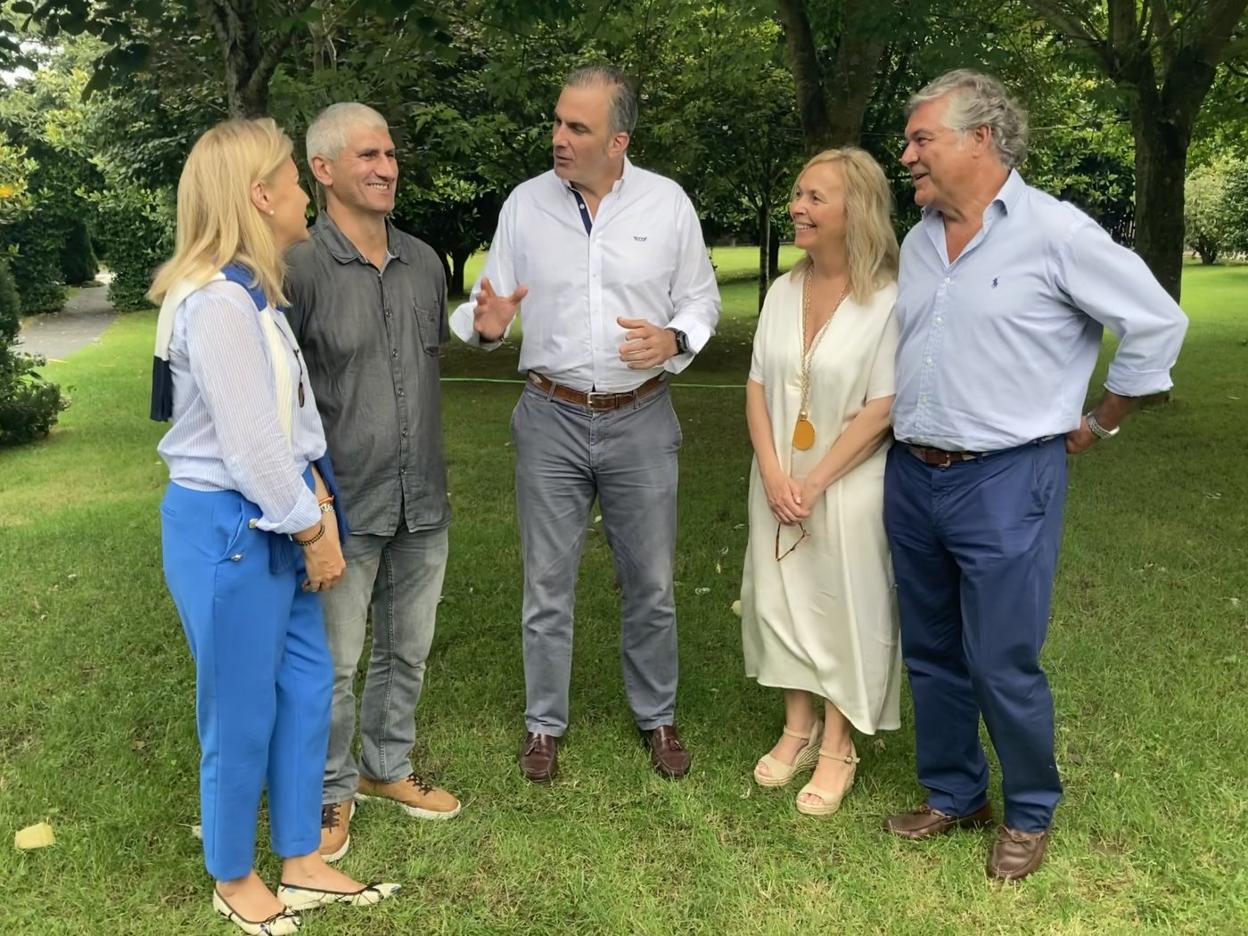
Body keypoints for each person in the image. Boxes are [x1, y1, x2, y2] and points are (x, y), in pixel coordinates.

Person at [883, 70, 1188, 880]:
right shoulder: (918, 240)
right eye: (909, 140)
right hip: (912, 474)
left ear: (981, 139)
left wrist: (1102, 421)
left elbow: (1158, 321)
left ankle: (1028, 811)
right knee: (932, 649)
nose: (906, 153)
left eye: (922, 139)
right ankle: (954, 792)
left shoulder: (1056, 232)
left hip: (1007, 479)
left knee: (1001, 657)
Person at [151, 117, 398, 935]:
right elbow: (252, 447)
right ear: (261, 196)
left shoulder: (252, 292)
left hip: (276, 514)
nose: (304, 192)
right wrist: (312, 527)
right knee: (240, 707)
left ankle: (300, 856)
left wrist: (315, 501)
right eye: (295, 178)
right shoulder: (218, 303)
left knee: (301, 693)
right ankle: (232, 872)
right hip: (231, 526)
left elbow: (288, 428)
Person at [450, 65, 721, 782]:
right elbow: (482, 308)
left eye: (579, 128)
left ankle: (658, 717)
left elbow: (701, 301)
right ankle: (544, 726)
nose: (560, 138)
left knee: (653, 582)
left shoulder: (667, 205)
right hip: (549, 417)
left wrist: (674, 339)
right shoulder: (525, 206)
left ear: (618, 140)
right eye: (558, 122)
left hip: (641, 416)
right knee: (546, 581)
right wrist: (483, 325)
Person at [285, 102, 461, 863]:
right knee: (336, 664)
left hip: (422, 497)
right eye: (367, 155)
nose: (386, 167)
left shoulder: (425, 262)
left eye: (390, 153)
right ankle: (330, 792)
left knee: (408, 649)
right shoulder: (296, 267)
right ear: (322, 170)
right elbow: (277, 396)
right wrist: (305, 503)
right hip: (341, 503)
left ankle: (387, 768)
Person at [740, 147, 902, 816]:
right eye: (797, 195)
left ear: (854, 211)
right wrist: (777, 475)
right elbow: (755, 387)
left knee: (843, 605)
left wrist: (817, 480)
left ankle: (839, 743)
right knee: (780, 599)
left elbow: (884, 406)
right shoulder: (783, 290)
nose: (797, 209)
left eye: (813, 198)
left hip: (851, 483)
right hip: (776, 479)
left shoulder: (889, 299)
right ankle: (797, 726)